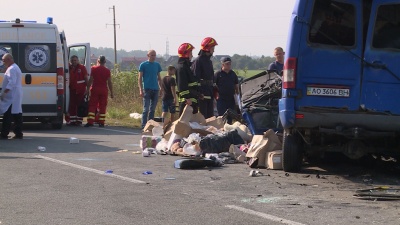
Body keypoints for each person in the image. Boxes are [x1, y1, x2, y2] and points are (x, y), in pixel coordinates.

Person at [191, 37, 218, 118]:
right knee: (203, 117)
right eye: (212, 48)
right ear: (207, 48)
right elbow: (196, 78)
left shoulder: (209, 61)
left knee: (210, 116)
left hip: (209, 91)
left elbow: (211, 77)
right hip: (202, 93)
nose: (213, 50)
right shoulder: (198, 61)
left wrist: (214, 89)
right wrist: (199, 93)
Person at [84, 55, 113, 127]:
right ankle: (101, 122)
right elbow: (109, 82)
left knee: (92, 105)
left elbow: (90, 80)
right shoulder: (107, 70)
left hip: (95, 89)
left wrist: (87, 89)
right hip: (104, 90)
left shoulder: (94, 68)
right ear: (105, 62)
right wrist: (112, 92)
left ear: (98, 61)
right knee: (102, 106)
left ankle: (90, 121)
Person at [0, 53, 23, 139]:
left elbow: (11, 83)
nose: (3, 62)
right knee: (17, 114)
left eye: (4, 60)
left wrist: (4, 93)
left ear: (9, 59)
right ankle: (18, 133)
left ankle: (4, 134)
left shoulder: (11, 69)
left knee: (8, 115)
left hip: (12, 95)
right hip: (15, 94)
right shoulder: (15, 67)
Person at [138, 50, 162, 129]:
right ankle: (143, 125)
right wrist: (141, 89)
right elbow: (140, 78)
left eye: (154, 55)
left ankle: (150, 125)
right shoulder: (143, 65)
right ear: (148, 55)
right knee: (146, 109)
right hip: (147, 89)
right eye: (152, 55)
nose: (153, 57)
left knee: (152, 109)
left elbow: (159, 78)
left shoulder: (157, 65)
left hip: (155, 89)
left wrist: (161, 88)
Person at [176, 43, 200, 116]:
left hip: (191, 99)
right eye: (191, 53)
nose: (192, 55)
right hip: (186, 101)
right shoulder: (181, 67)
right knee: (184, 124)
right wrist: (187, 98)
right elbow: (182, 84)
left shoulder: (186, 66)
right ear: (186, 53)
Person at [214, 57, 239, 124]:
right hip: (221, 99)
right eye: (227, 64)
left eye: (230, 64)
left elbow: (236, 85)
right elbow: (214, 85)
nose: (229, 65)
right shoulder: (218, 74)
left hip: (231, 98)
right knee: (222, 116)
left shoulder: (233, 74)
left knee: (230, 117)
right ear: (223, 65)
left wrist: (237, 95)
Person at [65, 55, 88, 126]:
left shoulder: (82, 67)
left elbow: (86, 78)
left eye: (75, 60)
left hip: (81, 90)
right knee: (72, 105)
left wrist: (88, 89)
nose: (74, 62)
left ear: (78, 61)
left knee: (80, 105)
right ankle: (72, 120)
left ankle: (79, 120)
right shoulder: (68, 68)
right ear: (70, 61)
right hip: (72, 89)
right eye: (73, 60)